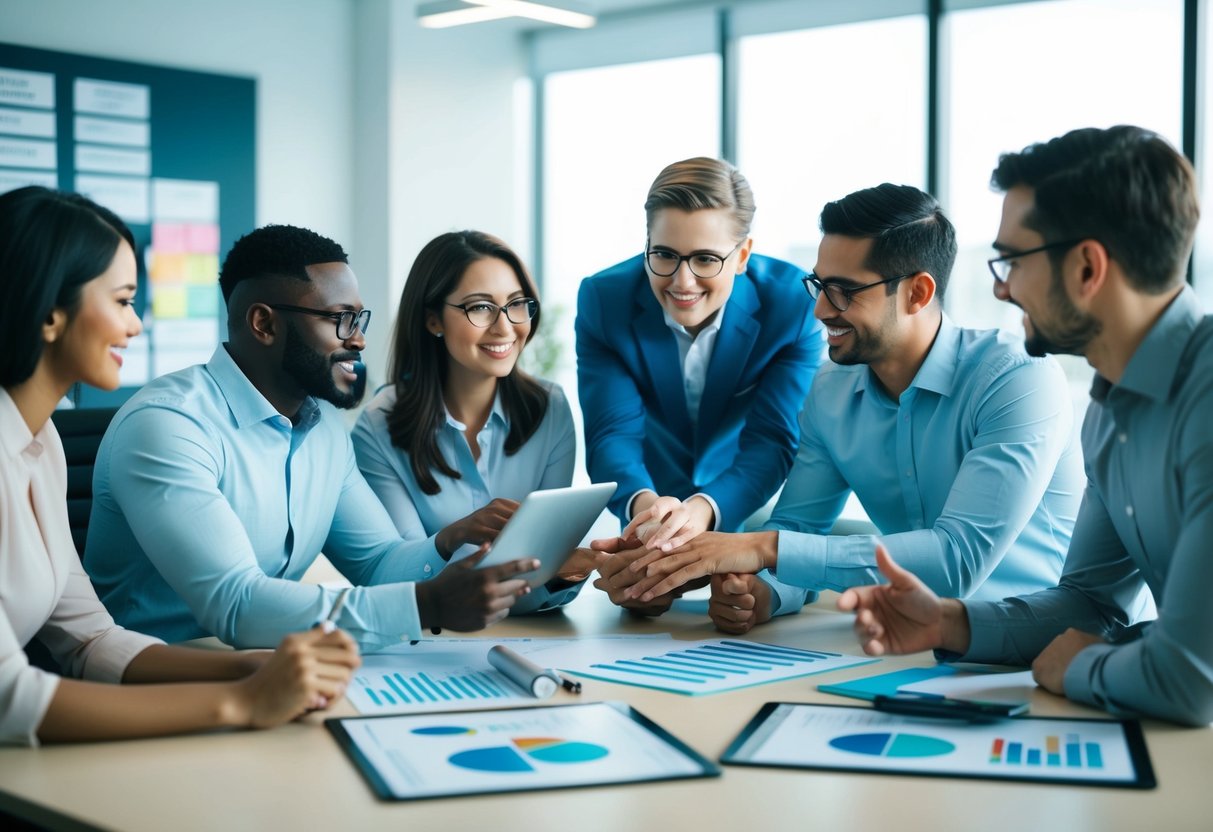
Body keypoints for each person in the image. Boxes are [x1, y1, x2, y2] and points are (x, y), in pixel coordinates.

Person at [838, 126, 1213, 726]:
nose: (999, 286)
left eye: (1013, 260)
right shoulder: (1111, 406)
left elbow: (1192, 681)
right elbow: (1092, 605)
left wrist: (1080, 666)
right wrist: (948, 622)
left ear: (1088, 267)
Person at [619, 183, 1083, 633]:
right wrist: (759, 594)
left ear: (917, 293)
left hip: (1040, 647)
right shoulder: (831, 390)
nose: (820, 309)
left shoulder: (1017, 379)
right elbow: (800, 526)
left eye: (843, 290)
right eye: (819, 285)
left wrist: (761, 549)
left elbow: (956, 561)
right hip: (911, 642)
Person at [0, 186, 360, 746]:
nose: (135, 325)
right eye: (121, 301)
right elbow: (9, 699)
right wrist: (241, 701)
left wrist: (252, 668)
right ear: (50, 312)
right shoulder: (160, 421)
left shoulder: (39, 441)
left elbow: (91, 639)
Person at [84, 224, 538, 651]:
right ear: (264, 324)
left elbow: (378, 562)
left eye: (360, 319)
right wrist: (426, 605)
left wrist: (448, 540)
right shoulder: (168, 426)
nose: (358, 340)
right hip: (155, 679)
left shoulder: (323, 430)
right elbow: (237, 604)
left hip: (273, 673)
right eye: (340, 319)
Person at [578, 157, 823, 615]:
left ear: (744, 255)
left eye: (707, 259)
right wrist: (645, 514)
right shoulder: (603, 299)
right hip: (648, 509)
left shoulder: (792, 304)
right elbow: (612, 434)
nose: (682, 281)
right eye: (665, 255)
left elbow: (771, 440)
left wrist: (704, 511)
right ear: (647, 243)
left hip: (736, 503)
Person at [352, 230, 599, 612]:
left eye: (517, 304)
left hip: (532, 634)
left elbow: (546, 563)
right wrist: (452, 536)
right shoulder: (379, 425)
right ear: (433, 319)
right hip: (430, 641)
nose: (505, 327)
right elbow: (398, 577)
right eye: (480, 308)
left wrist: (574, 568)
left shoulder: (550, 409)